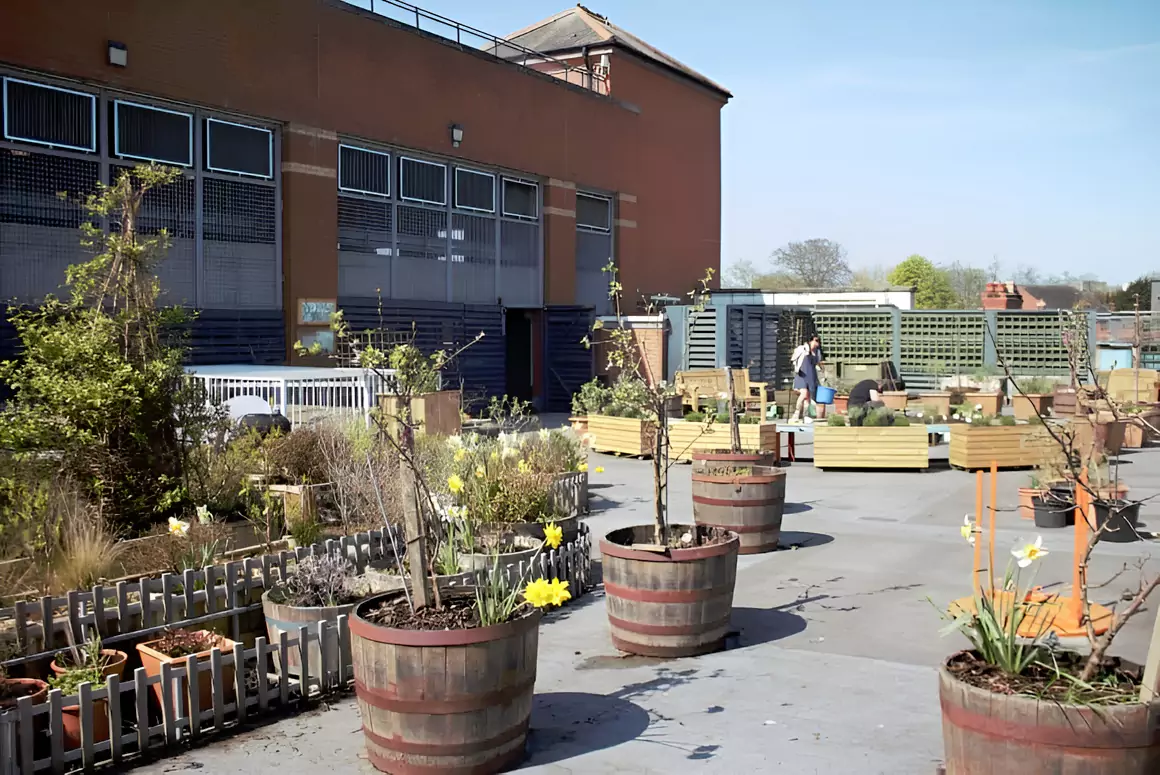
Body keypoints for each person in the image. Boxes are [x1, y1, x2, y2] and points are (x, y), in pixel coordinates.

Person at [790, 335, 824, 422]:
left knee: (808, 397)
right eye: (815, 340)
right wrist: (796, 367)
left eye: (818, 341)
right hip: (802, 374)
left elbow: (818, 363)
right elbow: (794, 358)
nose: (817, 343)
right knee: (804, 393)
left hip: (811, 375)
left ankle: (805, 415)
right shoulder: (802, 349)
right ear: (810, 341)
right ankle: (796, 413)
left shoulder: (817, 352)